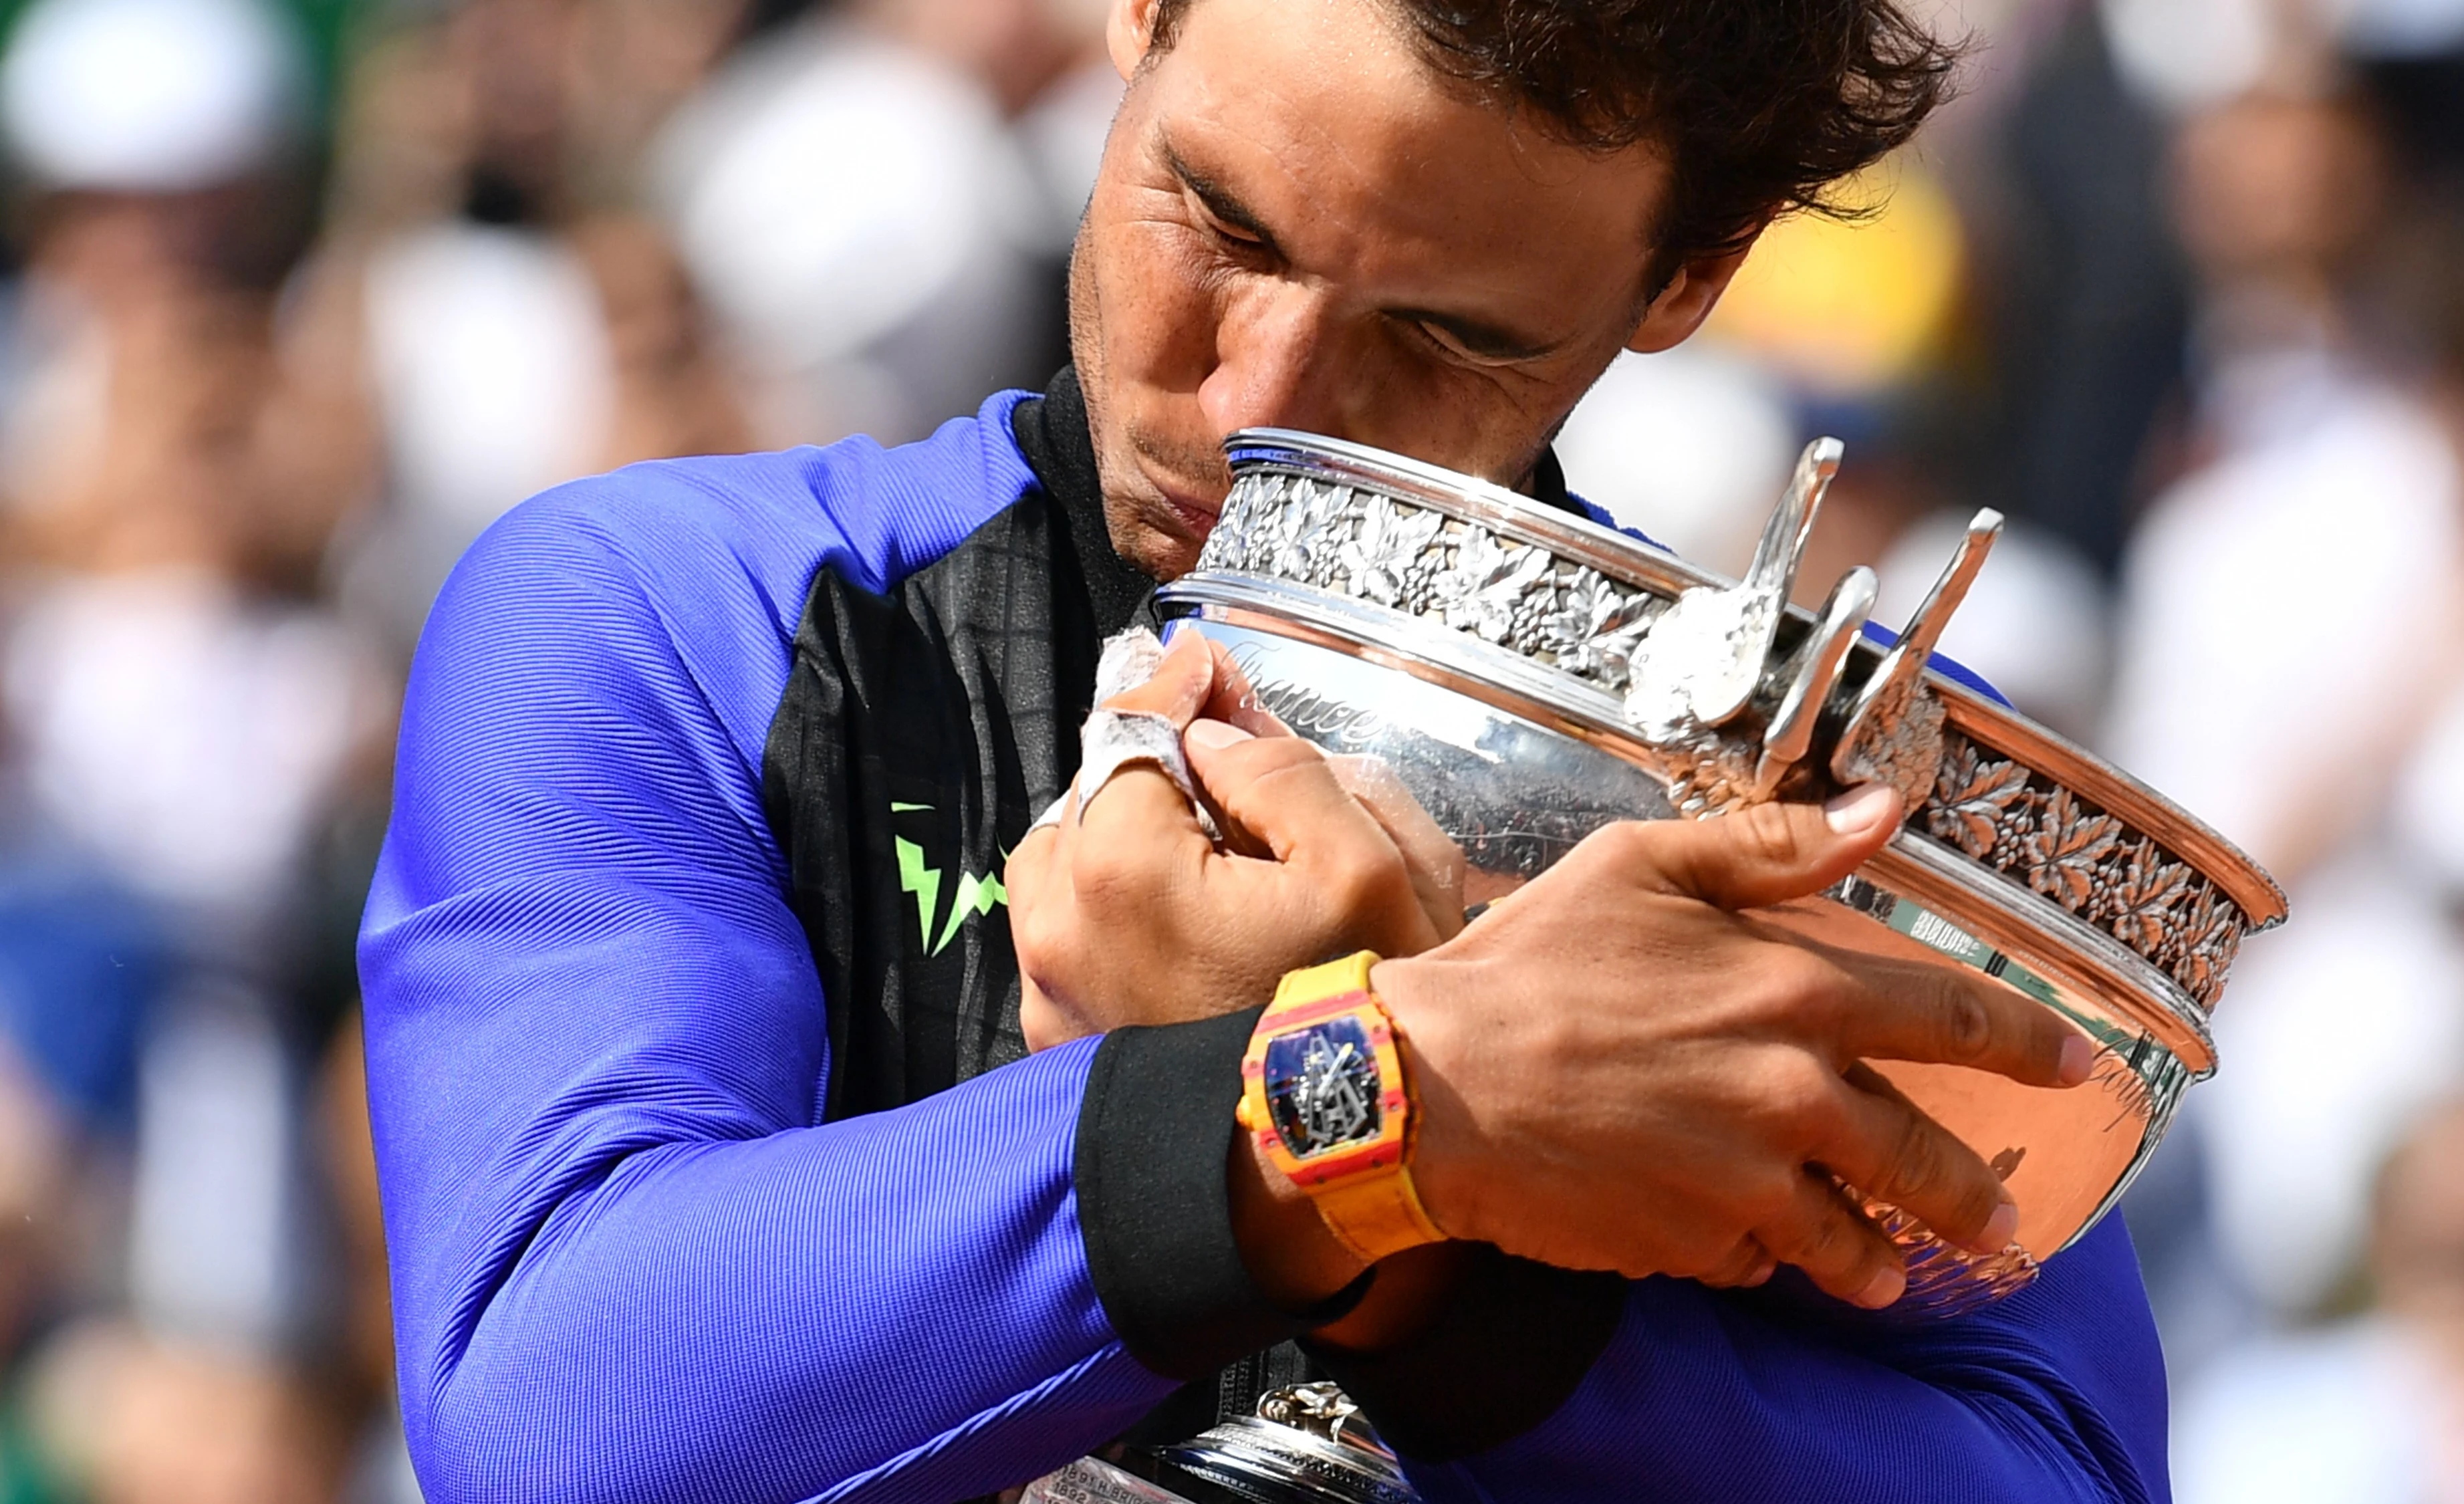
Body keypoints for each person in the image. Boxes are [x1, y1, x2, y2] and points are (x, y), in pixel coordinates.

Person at [360, 1, 2169, 1501]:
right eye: (1219, 226)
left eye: (1451, 338)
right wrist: (1369, 1106)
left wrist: (1448, 1297)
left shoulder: (1805, 822)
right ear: (1139, 19)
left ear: (1690, 277)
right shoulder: (678, 615)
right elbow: (554, 1429)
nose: (1257, 404)